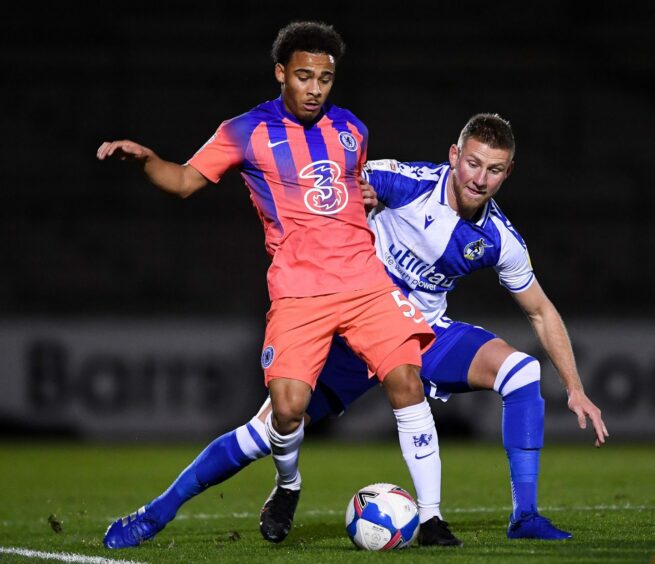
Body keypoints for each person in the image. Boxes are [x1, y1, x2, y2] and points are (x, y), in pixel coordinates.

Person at [100, 112, 609, 549]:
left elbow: (541, 311)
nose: (479, 178)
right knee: (266, 433)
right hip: (350, 323)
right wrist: (344, 201)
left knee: (520, 374)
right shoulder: (401, 181)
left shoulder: (499, 238)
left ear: (507, 173)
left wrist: (576, 388)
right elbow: (331, 186)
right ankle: (157, 512)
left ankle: (523, 518)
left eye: (494, 170)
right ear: (453, 156)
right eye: (473, 163)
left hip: (419, 333)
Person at [97, 21, 441, 549]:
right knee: (285, 409)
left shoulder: (352, 128)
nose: (315, 88)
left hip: (366, 284)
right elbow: (185, 181)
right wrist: (147, 161)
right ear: (281, 73)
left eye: (325, 78)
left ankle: (434, 521)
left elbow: (349, 190)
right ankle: (288, 484)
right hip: (299, 292)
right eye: (304, 76)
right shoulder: (244, 130)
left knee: (407, 383)